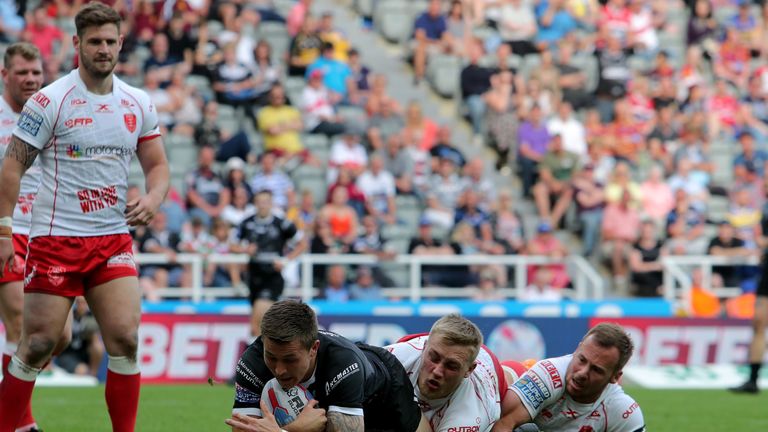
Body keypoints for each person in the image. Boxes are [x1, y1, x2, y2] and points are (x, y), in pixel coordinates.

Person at [0, 4, 170, 432]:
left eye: (111, 41)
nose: (104, 49)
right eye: (95, 41)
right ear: (77, 44)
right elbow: (12, 167)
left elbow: (158, 166)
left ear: (121, 44)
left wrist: (153, 197)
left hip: (112, 239)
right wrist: (3, 231)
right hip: (57, 239)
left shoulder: (138, 102)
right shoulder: (49, 101)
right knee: (39, 343)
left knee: (126, 341)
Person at [0, 41, 72, 432]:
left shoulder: (53, 112)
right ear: (4, 74)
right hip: (6, 230)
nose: (30, 79)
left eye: (36, 73)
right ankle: (20, 423)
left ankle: (5, 401)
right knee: (20, 326)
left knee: (57, 335)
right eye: (22, 72)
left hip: (48, 233)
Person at [226, 300, 431, 431]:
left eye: (290, 360)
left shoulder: (343, 364)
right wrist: (295, 429)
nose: (279, 369)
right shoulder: (251, 364)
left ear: (313, 348)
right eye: (271, 357)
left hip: (384, 393)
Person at [492, 323, 646, 432]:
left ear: (615, 377)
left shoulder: (623, 411)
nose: (582, 373)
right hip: (520, 398)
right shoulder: (548, 375)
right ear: (577, 349)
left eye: (596, 370)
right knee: (508, 375)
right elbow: (502, 424)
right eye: (581, 360)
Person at [385, 314, 507, 432]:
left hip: (493, 372)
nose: (437, 371)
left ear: (469, 370)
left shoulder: (470, 415)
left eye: (451, 366)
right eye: (433, 358)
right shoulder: (396, 357)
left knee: (512, 382)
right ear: (424, 347)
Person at [236, 190, 306, 337]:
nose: (263, 205)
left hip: (272, 276)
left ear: (271, 203)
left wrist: (286, 260)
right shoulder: (246, 223)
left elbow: (302, 244)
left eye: (266, 201)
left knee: (257, 323)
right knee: (260, 327)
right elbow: (231, 244)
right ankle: (265, 355)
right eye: (259, 202)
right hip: (253, 276)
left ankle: (259, 358)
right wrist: (244, 249)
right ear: (255, 203)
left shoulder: (282, 224)